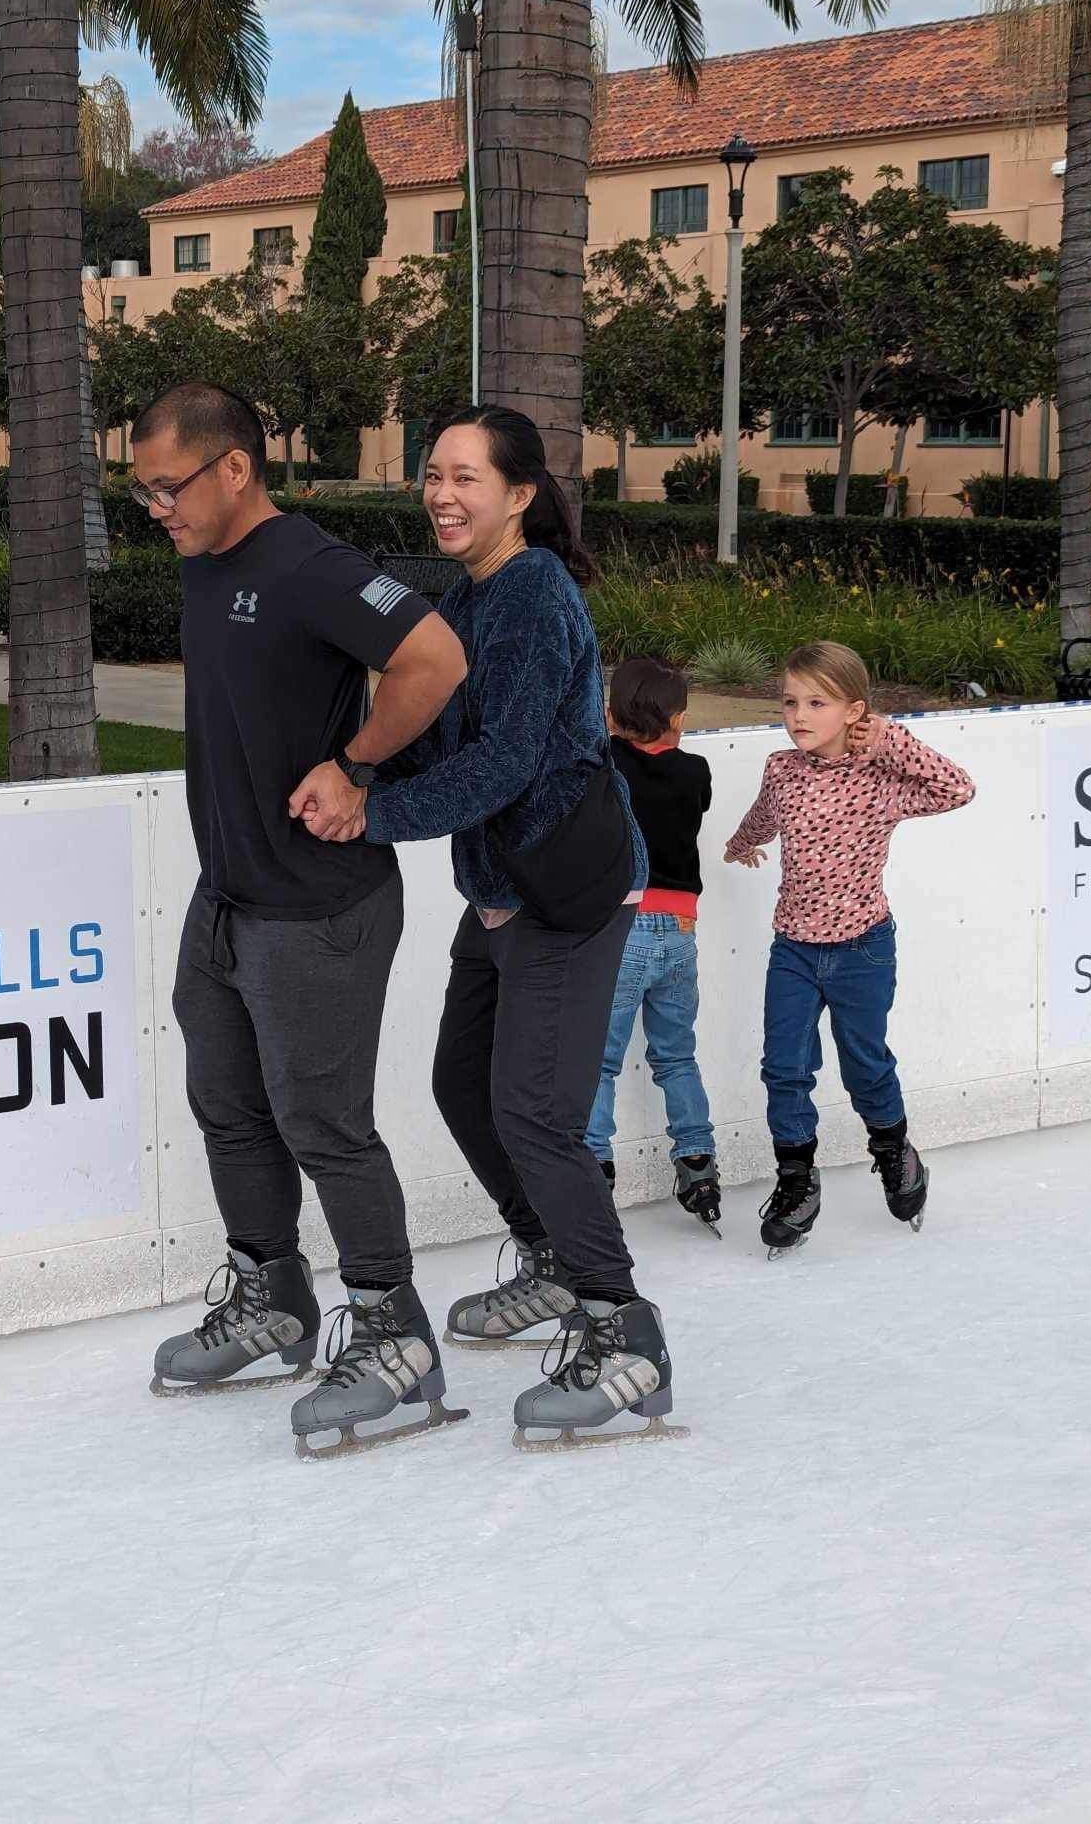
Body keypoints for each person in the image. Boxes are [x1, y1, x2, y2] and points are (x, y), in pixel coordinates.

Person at [295, 406, 679, 1448]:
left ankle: (624, 1331)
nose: (442, 494)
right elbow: (437, 738)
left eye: (467, 477)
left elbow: (506, 762)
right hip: (502, 893)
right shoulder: (465, 599)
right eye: (432, 474)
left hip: (564, 893)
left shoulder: (533, 597)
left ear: (519, 494)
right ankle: (551, 1259)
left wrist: (374, 812)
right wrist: (354, 766)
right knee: (463, 1085)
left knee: (535, 1116)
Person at [135, 383, 473, 1461]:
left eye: (169, 486)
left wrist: (357, 763)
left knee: (324, 1125)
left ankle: (391, 1335)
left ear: (234, 468)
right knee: (228, 1106)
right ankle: (273, 1296)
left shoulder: (306, 565)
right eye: (141, 490)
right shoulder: (206, 561)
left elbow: (436, 659)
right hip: (226, 896)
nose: (158, 508)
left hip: (319, 904)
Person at [725, 640, 976, 1256]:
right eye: (790, 702)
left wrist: (890, 740)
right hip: (795, 951)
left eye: (817, 702)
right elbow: (765, 816)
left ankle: (894, 1153)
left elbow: (958, 789)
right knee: (784, 1068)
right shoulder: (782, 770)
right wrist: (739, 843)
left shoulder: (882, 778)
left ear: (854, 711)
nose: (798, 715)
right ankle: (795, 1181)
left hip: (863, 949)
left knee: (864, 1065)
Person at [581, 656, 723, 1234]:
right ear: (680, 720)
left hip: (625, 928)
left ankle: (592, 1166)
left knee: (599, 1060)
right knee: (676, 1055)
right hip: (681, 934)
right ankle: (697, 1159)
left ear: (612, 718)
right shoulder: (696, 771)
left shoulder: (608, 765)